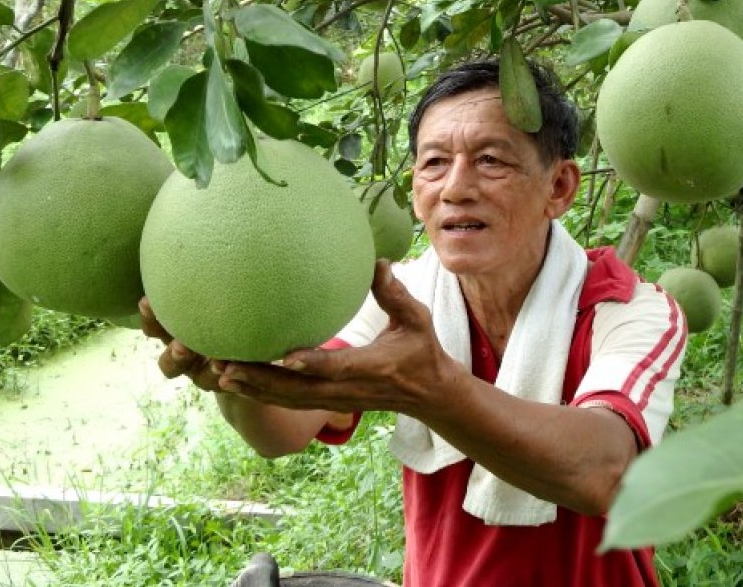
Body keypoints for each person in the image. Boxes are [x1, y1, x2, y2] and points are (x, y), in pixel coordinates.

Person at [140, 59, 687, 587]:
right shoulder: (397, 298)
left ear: (559, 187)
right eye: (434, 163)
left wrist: (432, 390)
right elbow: (283, 429)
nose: (455, 188)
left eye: (490, 160)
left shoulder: (629, 310)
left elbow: (603, 470)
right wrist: (229, 369)